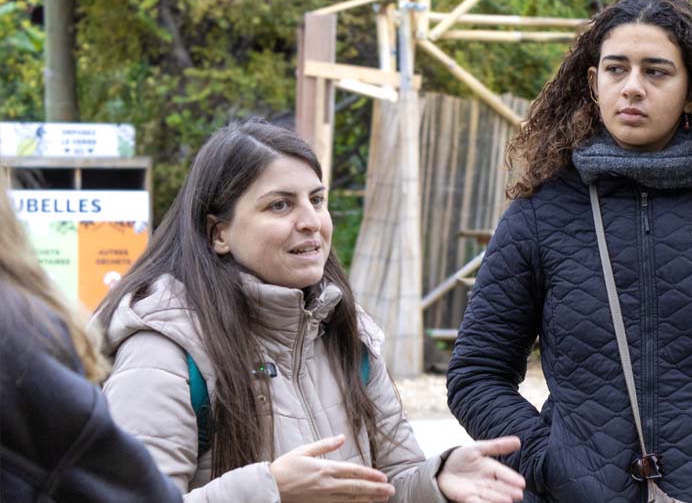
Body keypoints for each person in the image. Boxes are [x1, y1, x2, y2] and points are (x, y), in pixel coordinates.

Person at [446, 0, 692, 502]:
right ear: (592, 82)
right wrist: (548, 463)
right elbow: (477, 372)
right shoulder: (542, 211)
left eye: (656, 71)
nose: (632, 88)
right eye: (615, 69)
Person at [93, 119, 526, 503]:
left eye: (316, 200)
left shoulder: (346, 336)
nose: (311, 222)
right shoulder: (165, 351)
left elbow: (390, 483)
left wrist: (437, 479)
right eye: (279, 205)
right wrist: (269, 491)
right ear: (218, 232)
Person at [0, 180, 181, 502]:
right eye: (277, 205)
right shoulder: (18, 332)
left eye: (306, 199)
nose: (304, 220)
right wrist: (265, 485)